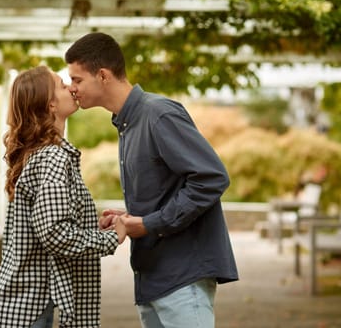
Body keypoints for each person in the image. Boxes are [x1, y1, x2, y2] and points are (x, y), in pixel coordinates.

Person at [65, 32, 239, 328]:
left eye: (77, 80)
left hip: (182, 279)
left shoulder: (158, 115)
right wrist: (133, 217)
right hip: (152, 280)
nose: (72, 89)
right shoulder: (128, 124)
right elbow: (168, 190)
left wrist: (149, 223)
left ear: (103, 76)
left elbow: (211, 178)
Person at [0, 65, 126, 328]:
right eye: (63, 85)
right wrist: (109, 239)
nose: (71, 88)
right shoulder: (52, 157)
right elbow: (53, 232)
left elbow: (43, 228)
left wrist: (90, 227)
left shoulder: (42, 154)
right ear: (50, 104)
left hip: (24, 307)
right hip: (29, 310)